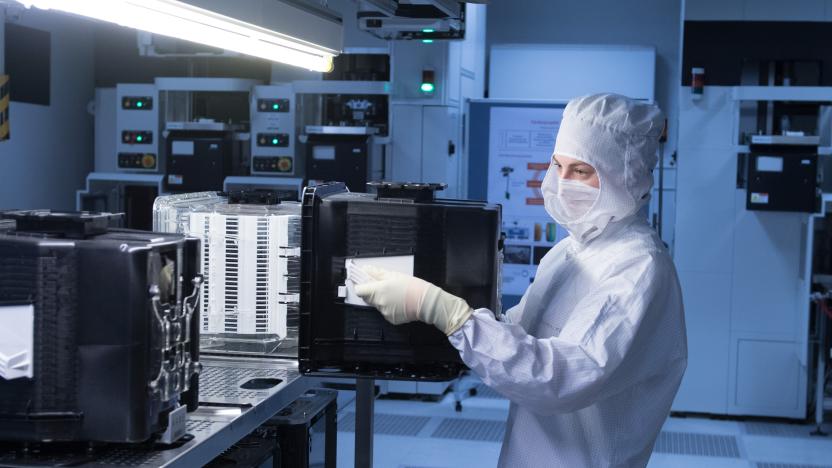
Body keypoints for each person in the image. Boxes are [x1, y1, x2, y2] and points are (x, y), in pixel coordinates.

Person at [349, 93, 688, 468]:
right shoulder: (571, 251)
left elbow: (557, 379)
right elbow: (517, 334)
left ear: (625, 175)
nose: (561, 183)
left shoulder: (637, 267)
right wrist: (435, 304)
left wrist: (444, 311)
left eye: (580, 171)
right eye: (557, 166)